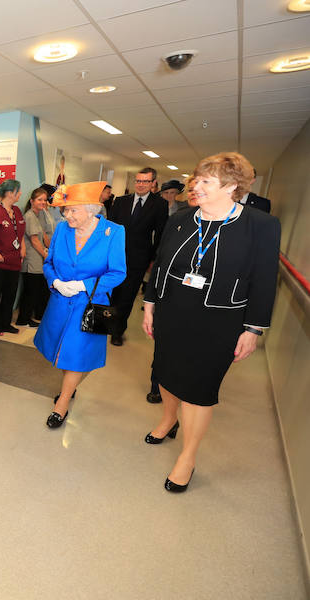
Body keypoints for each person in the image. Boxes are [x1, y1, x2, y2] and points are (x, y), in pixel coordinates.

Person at [143, 152, 280, 493]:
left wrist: (253, 328)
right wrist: (149, 304)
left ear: (231, 186)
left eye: (205, 181)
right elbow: (160, 264)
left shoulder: (260, 225)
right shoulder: (182, 219)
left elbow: (265, 279)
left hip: (220, 321)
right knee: (166, 372)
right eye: (196, 179)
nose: (195, 186)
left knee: (200, 389)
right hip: (173, 312)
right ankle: (168, 419)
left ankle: (187, 457)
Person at [34, 181, 126, 428]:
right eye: (66, 210)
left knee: (75, 354)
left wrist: (84, 285)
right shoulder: (63, 230)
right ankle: (70, 387)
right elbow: (49, 263)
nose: (66, 215)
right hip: (60, 302)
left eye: (73, 210)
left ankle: (61, 404)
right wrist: (55, 282)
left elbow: (118, 273)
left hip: (90, 304)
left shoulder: (113, 232)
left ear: (91, 209)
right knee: (61, 352)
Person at [108, 167, 168, 346]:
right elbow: (108, 229)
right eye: (138, 181)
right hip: (114, 257)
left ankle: (118, 331)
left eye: (145, 181)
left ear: (153, 183)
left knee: (127, 296)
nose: (141, 185)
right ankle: (104, 325)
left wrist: (153, 259)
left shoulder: (159, 204)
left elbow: (160, 234)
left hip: (138, 259)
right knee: (111, 293)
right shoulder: (120, 201)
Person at [0, 179, 26, 335]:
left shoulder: (16, 210)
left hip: (14, 262)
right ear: (10, 193)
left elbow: (20, 232)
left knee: (10, 295)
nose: (20, 194)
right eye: (18, 191)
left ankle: (5, 323)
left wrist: (22, 248)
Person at [16, 187, 55, 328]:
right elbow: (34, 241)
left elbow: (44, 236)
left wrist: (51, 251)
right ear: (32, 201)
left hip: (40, 260)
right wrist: (47, 256)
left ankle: (27, 317)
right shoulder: (30, 216)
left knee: (35, 292)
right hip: (32, 261)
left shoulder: (40, 215)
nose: (43, 202)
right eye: (40, 200)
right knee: (30, 292)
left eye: (45, 200)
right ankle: (23, 320)